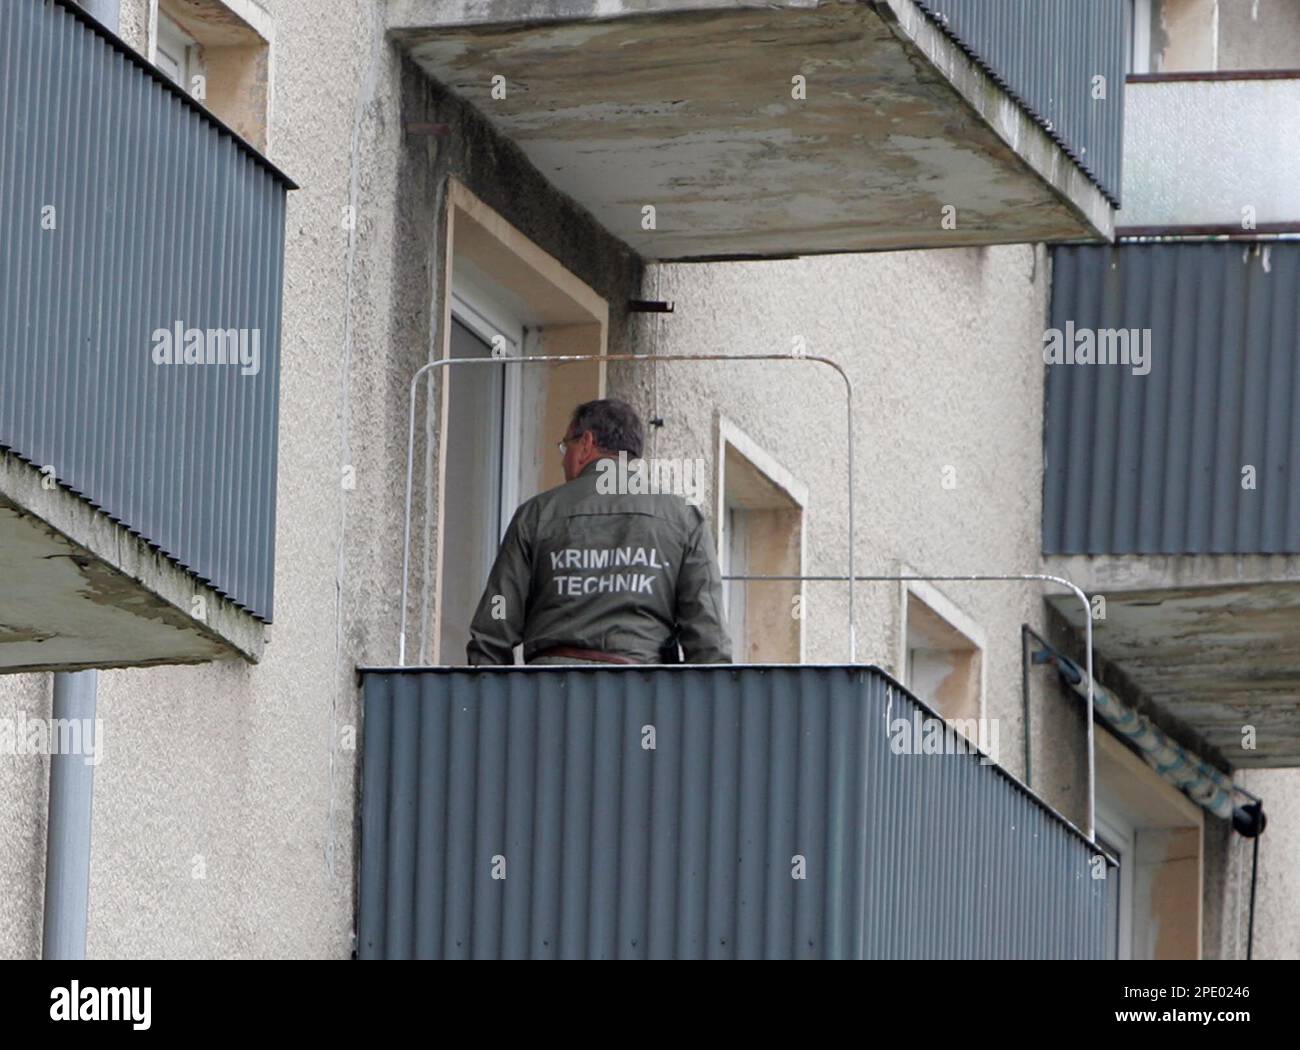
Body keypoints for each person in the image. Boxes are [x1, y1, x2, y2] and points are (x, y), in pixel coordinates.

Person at [466, 399, 731, 665]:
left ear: (586, 443)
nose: (562, 461)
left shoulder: (536, 514)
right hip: (642, 693)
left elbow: (498, 612)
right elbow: (708, 631)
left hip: (547, 691)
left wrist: (489, 693)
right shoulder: (683, 518)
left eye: (564, 446)